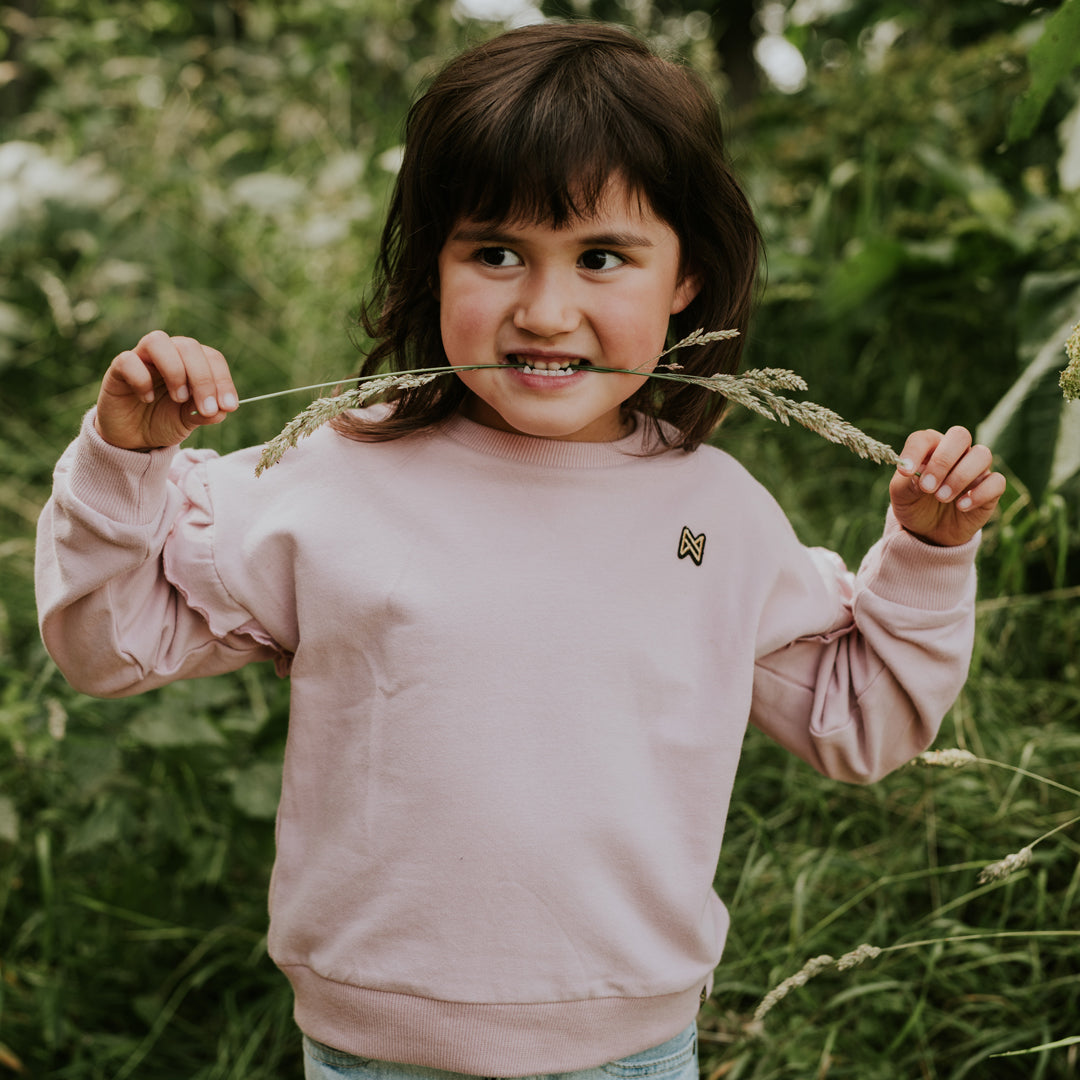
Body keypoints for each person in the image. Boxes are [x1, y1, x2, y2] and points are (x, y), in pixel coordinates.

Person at [35, 21, 1005, 1080]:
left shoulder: (703, 523)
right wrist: (124, 460)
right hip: (375, 1057)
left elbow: (860, 724)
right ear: (432, 261)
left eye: (601, 257)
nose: (545, 311)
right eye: (495, 253)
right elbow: (107, 646)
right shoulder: (333, 482)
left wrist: (924, 552)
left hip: (632, 1055)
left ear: (685, 277)